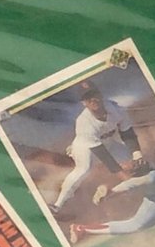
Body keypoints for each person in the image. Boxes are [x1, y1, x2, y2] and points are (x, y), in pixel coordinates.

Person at [51, 83, 142, 215]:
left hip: (107, 143)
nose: (92, 100)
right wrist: (124, 177)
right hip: (85, 148)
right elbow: (105, 157)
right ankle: (57, 205)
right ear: (83, 103)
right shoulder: (84, 122)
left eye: (94, 95)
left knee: (134, 162)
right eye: (87, 98)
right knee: (84, 169)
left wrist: (137, 154)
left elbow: (127, 132)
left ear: (100, 95)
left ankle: (109, 188)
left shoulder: (116, 109)